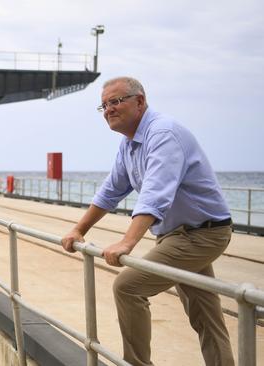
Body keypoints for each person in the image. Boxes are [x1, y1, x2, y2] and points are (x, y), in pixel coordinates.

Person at [61, 77, 234, 366]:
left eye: (115, 102)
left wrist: (128, 241)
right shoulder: (129, 144)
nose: (108, 110)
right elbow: (111, 190)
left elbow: (155, 193)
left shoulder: (162, 133)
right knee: (205, 316)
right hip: (177, 235)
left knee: (128, 286)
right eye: (103, 105)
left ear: (139, 101)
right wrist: (79, 229)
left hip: (202, 234)